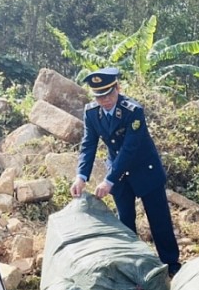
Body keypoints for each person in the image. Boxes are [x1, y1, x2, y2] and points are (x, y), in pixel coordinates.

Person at [70, 67, 181, 276]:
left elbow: (130, 149)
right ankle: (133, 267)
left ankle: (171, 265)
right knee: (125, 222)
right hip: (119, 175)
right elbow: (88, 145)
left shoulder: (133, 111)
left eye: (109, 94)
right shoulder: (91, 113)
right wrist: (81, 176)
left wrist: (109, 179)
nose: (105, 100)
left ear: (117, 88)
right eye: (100, 97)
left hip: (144, 169)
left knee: (159, 220)